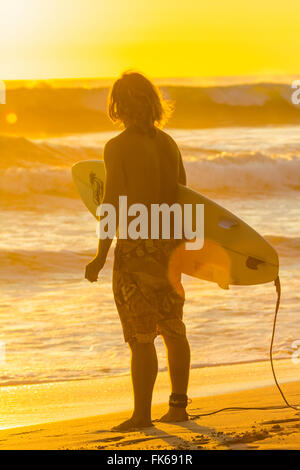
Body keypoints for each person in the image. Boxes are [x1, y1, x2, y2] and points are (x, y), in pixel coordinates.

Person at [85, 71, 190, 431]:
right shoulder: (168, 144)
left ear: (117, 104)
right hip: (169, 248)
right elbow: (185, 199)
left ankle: (142, 415)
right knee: (175, 329)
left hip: (136, 251)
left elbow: (111, 204)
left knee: (141, 337)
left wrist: (100, 255)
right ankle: (178, 407)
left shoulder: (117, 147)